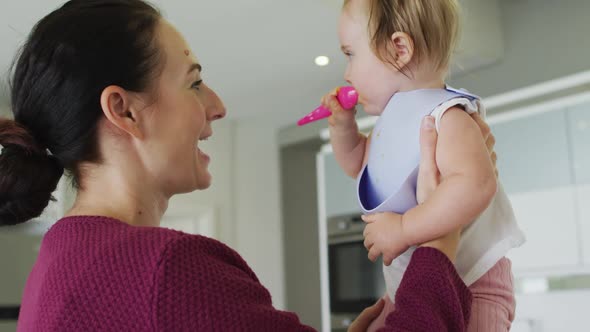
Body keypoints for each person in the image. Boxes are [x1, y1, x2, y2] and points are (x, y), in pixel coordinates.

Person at [0, 0, 492, 330]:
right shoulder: (163, 270)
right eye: (194, 82)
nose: (217, 106)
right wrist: (438, 236)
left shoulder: (57, 264)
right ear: (123, 110)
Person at [322, 0, 525, 331]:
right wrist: (343, 128)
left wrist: (405, 229)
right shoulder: (392, 122)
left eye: (350, 54)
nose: (346, 72)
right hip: (412, 287)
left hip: (472, 281)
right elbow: (358, 164)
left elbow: (475, 185)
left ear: (399, 48)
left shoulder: (447, 117)